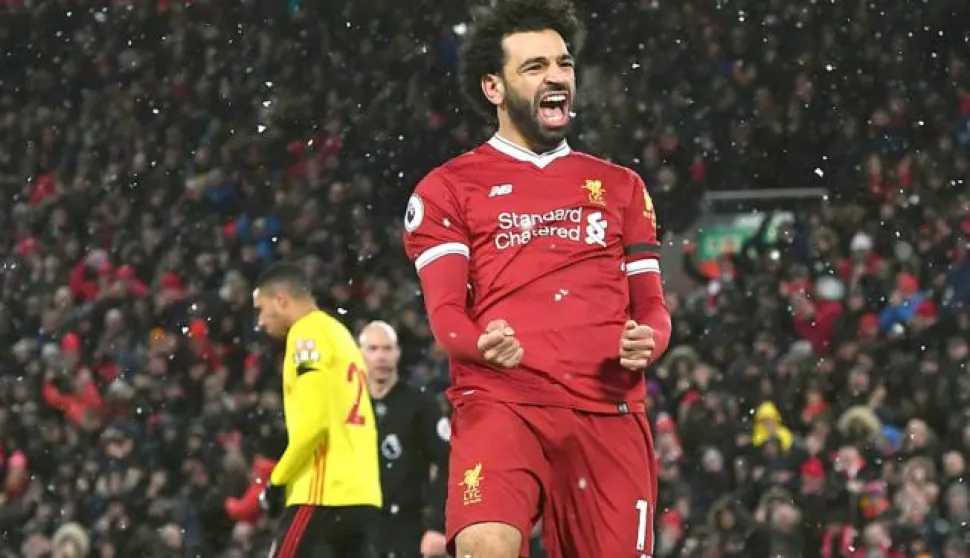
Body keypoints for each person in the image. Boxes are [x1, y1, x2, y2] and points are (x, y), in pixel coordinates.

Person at [400, 0, 672, 556]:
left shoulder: (620, 187)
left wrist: (651, 338)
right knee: (486, 546)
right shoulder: (447, 189)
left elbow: (652, 307)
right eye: (534, 67)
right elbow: (447, 315)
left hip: (608, 410)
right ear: (493, 88)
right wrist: (480, 344)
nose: (556, 77)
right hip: (502, 402)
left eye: (563, 64)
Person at [252, 262, 382, 558]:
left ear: (281, 300)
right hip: (362, 494)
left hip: (323, 493)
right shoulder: (341, 335)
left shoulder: (306, 335)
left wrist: (277, 481)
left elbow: (314, 425)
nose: (260, 321)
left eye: (261, 309)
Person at [359, 320, 450, 558]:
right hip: (357, 525)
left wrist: (437, 525)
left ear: (398, 353)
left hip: (407, 527)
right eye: (373, 349)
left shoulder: (421, 404)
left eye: (387, 349)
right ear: (360, 354)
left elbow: (449, 460)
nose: (381, 356)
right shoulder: (347, 407)